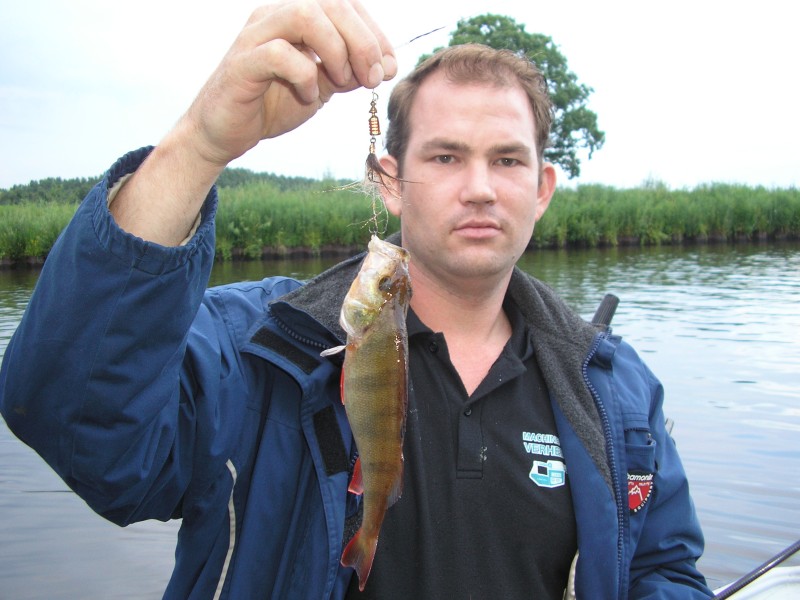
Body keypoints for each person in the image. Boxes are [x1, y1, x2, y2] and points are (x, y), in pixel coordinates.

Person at [0, 0, 713, 598]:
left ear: (542, 188)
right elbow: (75, 421)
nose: (479, 189)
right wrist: (200, 143)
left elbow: (664, 570)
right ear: (389, 181)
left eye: (506, 159)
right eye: (445, 156)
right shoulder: (261, 348)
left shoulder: (617, 393)